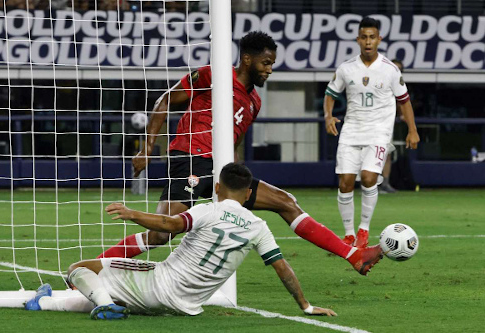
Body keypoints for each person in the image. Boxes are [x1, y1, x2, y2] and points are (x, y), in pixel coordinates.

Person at [98, 31, 383, 275]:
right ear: (247, 59)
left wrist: (236, 168)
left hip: (222, 169)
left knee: (285, 202)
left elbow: (236, 138)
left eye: (272, 64)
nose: (269, 69)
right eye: (266, 62)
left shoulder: (254, 102)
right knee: (161, 233)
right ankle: (95, 265)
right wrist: (148, 148)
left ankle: (353, 255)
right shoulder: (213, 75)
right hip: (191, 159)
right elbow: (163, 102)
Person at [25, 164, 340, 319]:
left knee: (80, 269)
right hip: (185, 306)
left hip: (156, 284)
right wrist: (306, 305)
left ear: (217, 187)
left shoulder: (207, 209)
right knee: (110, 291)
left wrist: (130, 212)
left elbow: (168, 224)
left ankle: (105, 305)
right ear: (248, 194)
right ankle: (47, 303)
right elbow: (283, 269)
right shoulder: (259, 227)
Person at [323, 17, 420, 247]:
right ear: (358, 40)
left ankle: (364, 230)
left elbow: (404, 101)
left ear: (379, 39)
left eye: (372, 37)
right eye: (364, 37)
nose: (368, 42)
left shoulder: (390, 70)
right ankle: (348, 234)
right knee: (345, 182)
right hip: (351, 130)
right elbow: (330, 93)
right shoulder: (346, 68)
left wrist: (412, 130)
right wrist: (328, 116)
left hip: (378, 131)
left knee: (368, 178)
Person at [378, 59, 405, 194]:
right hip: (368, 122)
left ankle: (385, 184)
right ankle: (367, 184)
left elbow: (402, 102)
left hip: (386, 124)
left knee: (386, 153)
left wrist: (402, 115)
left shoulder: (399, 85)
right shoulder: (377, 80)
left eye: (399, 69)